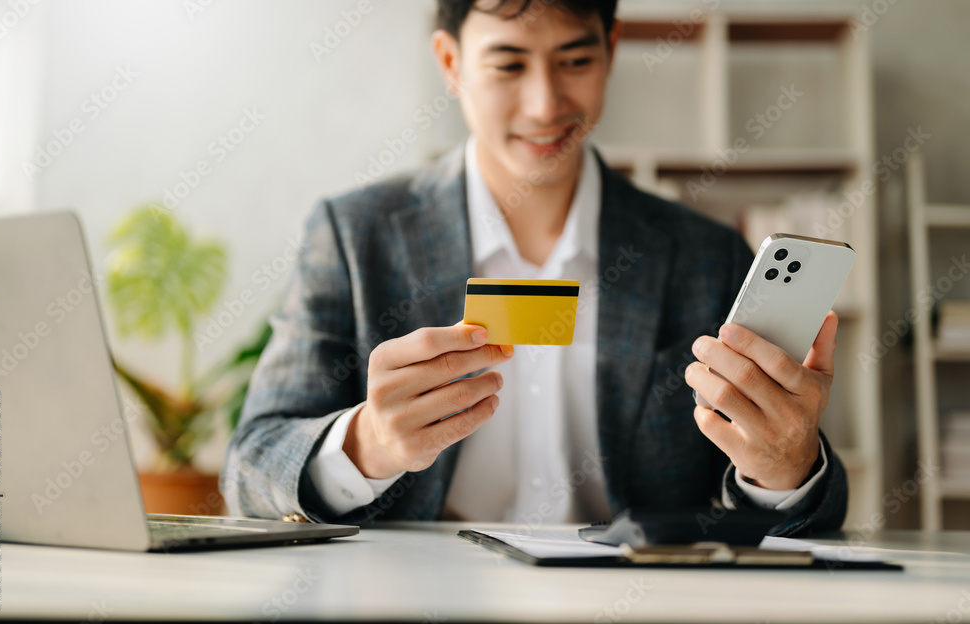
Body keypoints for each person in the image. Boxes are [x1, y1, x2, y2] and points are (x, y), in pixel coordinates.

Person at [221, 0, 847, 536]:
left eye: (575, 60)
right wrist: (368, 444)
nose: (546, 105)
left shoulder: (705, 254)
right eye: (509, 64)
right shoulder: (355, 236)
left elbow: (786, 517)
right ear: (450, 62)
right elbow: (250, 467)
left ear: (611, 48)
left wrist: (783, 467)